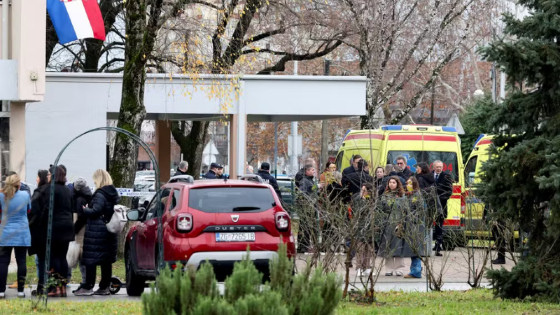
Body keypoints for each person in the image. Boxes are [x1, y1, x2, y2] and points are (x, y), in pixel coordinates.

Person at [30, 166, 74, 297]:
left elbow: (46, 209)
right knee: (62, 258)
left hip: (55, 227)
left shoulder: (50, 189)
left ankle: (55, 288)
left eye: (49, 174)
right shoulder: (67, 190)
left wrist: (39, 224)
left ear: (54, 175)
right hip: (67, 227)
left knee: (54, 258)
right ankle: (63, 288)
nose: (47, 176)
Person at [74, 169, 119, 296]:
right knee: (106, 261)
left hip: (97, 232)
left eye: (95, 179)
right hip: (109, 231)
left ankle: (88, 286)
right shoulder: (112, 193)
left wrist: (86, 209)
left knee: (91, 260)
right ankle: (104, 287)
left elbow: (96, 210)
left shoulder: (100, 194)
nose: (93, 181)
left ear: (99, 179)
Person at [0, 174, 31, 299]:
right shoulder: (25, 195)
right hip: (22, 232)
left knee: (3, 262)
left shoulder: (1, 196)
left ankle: (1, 290)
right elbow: (29, 210)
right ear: (19, 184)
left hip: (5, 233)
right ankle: (20, 291)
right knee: (21, 261)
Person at [379, 176, 407, 276]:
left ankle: (399, 268)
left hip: (399, 223)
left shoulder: (402, 196)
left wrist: (402, 222)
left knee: (398, 245)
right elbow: (381, 209)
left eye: (394, 182)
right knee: (388, 246)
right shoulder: (385, 196)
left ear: (397, 184)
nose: (392, 184)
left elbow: (405, 210)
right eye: (390, 182)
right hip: (387, 223)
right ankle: (389, 268)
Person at [70, 177, 93, 293]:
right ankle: (85, 282)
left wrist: (73, 230)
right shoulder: (89, 196)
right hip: (87, 231)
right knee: (84, 257)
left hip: (80, 232)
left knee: (81, 257)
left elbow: (81, 217)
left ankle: (85, 283)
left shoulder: (79, 199)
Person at [403, 177, 427, 279]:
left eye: (409, 183)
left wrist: (410, 218)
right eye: (407, 183)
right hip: (411, 225)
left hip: (416, 225)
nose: (407, 185)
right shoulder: (409, 195)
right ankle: (415, 270)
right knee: (413, 250)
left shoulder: (417, 196)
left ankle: (416, 271)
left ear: (414, 184)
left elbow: (420, 210)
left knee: (415, 249)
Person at [432, 160, 453, 255]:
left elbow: (449, 191)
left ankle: (438, 247)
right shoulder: (429, 175)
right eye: (437, 167)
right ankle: (430, 245)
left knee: (439, 226)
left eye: (440, 167)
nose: (439, 168)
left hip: (441, 205)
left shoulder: (446, 176)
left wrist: (439, 198)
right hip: (431, 205)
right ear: (433, 167)